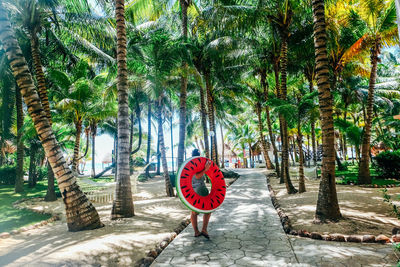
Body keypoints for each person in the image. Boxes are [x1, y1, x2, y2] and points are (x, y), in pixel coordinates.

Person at [191, 149, 212, 239]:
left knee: (195, 212)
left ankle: (198, 231)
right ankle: (202, 230)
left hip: (197, 189)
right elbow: (197, 175)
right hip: (198, 190)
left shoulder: (194, 163)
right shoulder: (194, 163)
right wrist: (205, 169)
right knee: (205, 210)